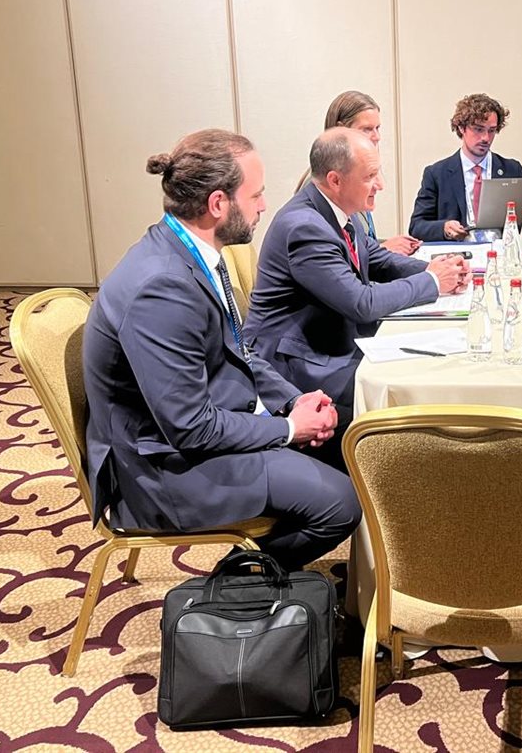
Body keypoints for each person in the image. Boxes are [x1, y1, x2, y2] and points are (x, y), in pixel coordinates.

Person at [82, 129, 360, 571]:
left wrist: (293, 402)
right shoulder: (162, 288)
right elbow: (189, 427)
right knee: (340, 504)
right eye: (256, 195)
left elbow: (240, 349)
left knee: (355, 438)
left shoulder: (192, 251)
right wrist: (289, 428)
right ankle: (234, 583)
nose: (264, 205)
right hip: (161, 468)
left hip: (193, 430)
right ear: (218, 204)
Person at [246, 127, 468, 453]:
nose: (381, 185)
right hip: (296, 363)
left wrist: (437, 270)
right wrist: (432, 282)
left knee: (424, 372)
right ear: (335, 180)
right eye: (370, 176)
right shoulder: (305, 226)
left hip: (326, 342)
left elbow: (377, 258)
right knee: (408, 393)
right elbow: (361, 303)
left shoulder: (337, 212)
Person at [408, 93, 522, 242]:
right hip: (458, 252)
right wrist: (445, 228)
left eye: (491, 130)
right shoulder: (437, 174)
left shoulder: (511, 169)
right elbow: (417, 226)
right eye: (478, 129)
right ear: (461, 128)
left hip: (501, 251)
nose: (486, 138)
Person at [294, 90, 422, 256]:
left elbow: (355, 241)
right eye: (367, 129)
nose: (377, 137)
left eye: (377, 128)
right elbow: (333, 249)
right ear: (341, 130)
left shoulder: (352, 173)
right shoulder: (319, 183)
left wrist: (385, 245)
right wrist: (384, 248)